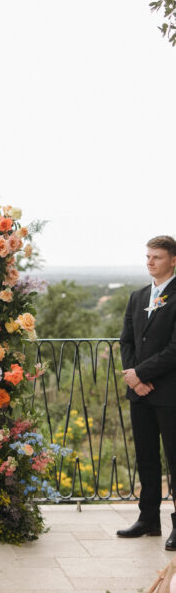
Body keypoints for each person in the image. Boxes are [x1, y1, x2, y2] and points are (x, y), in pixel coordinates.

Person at [117, 235, 176, 549]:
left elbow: (174, 349)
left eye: (157, 257)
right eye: (148, 256)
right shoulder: (137, 296)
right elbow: (126, 340)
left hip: (169, 393)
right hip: (140, 393)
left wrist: (142, 372)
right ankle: (148, 518)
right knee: (146, 457)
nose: (150, 262)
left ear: (173, 260)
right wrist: (133, 377)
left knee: (174, 459)